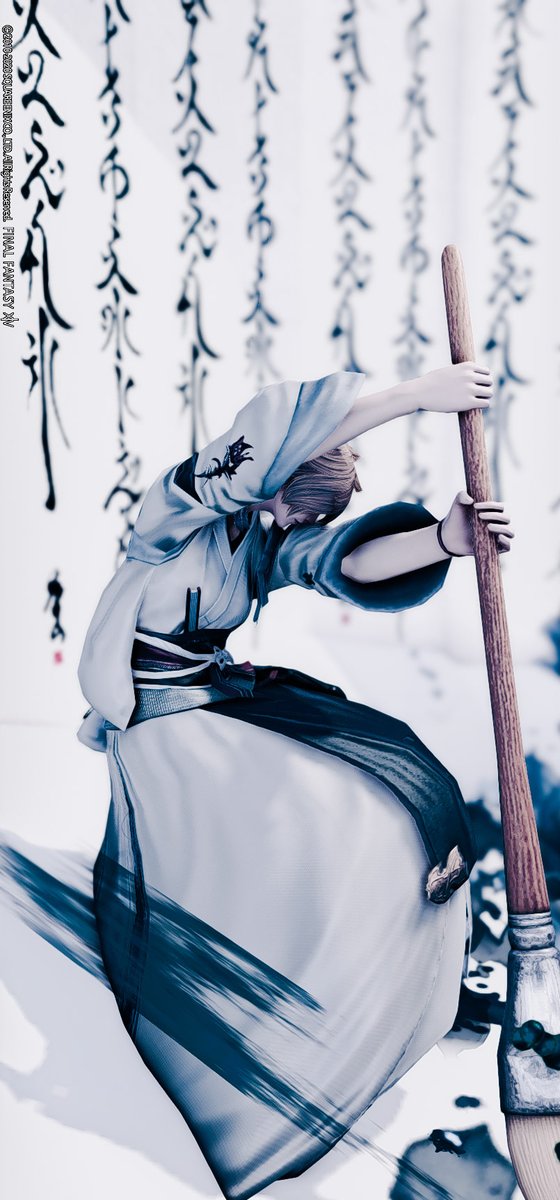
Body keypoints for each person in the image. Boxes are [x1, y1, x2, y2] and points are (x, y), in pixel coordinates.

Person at [77, 363, 513, 1200]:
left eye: (309, 517)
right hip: (160, 726)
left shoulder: (264, 538)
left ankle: (358, 1004)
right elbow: (266, 440)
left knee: (394, 774)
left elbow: (336, 562)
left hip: (214, 705)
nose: (295, 523)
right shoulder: (181, 509)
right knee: (301, 820)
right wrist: (413, 397)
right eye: (295, 504)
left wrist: (441, 541)